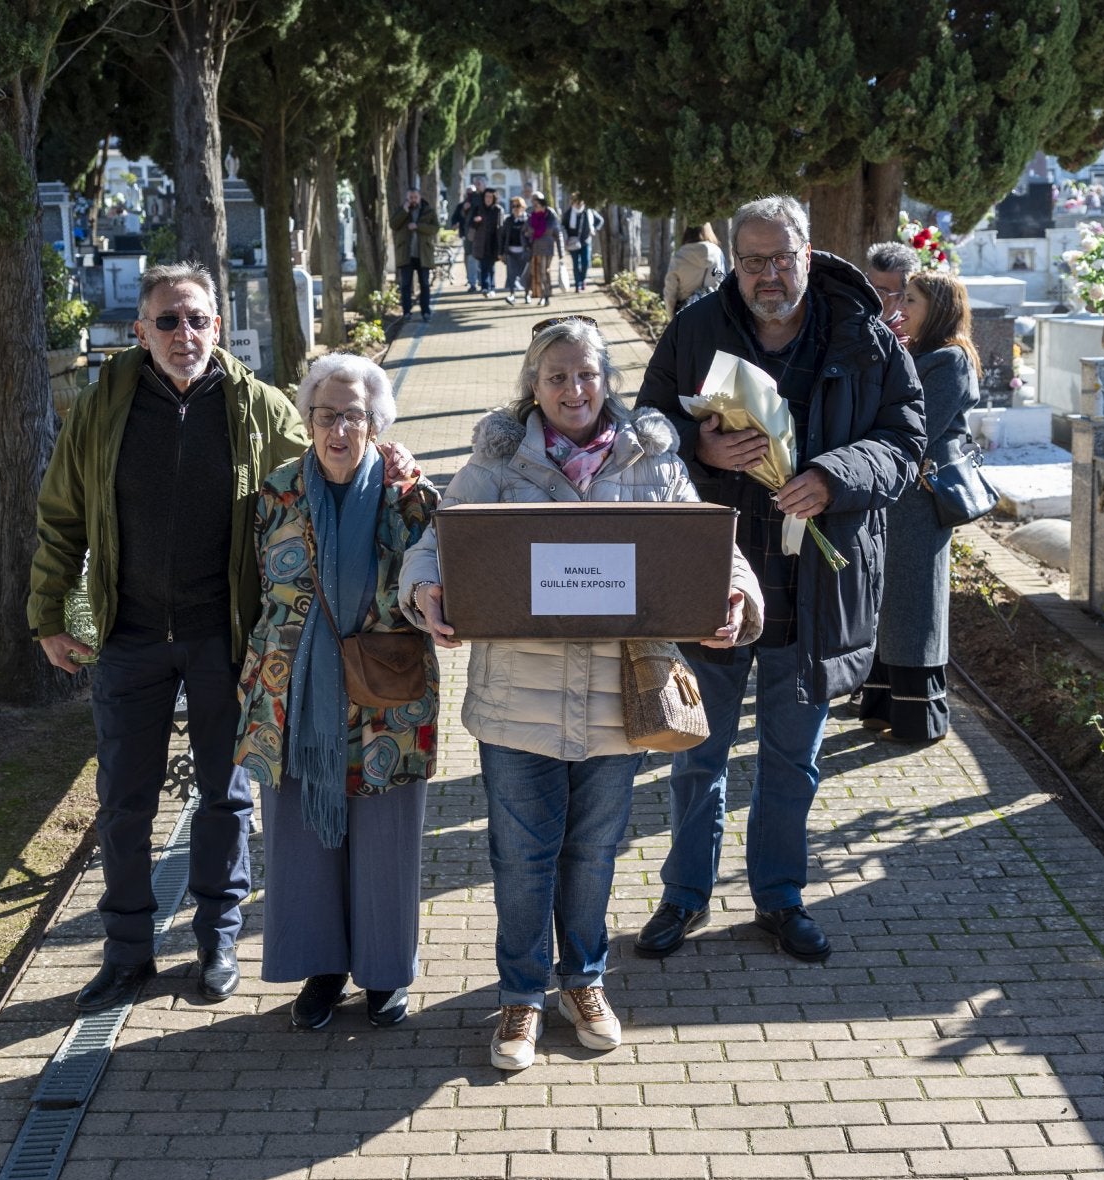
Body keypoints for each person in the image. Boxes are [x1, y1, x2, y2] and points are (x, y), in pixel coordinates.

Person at [29, 261, 411, 1014]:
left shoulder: (258, 406)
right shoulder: (102, 408)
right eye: (167, 321)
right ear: (140, 331)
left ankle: (217, 942)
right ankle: (126, 952)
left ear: (218, 325)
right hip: (129, 635)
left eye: (197, 319)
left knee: (224, 799)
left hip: (225, 636)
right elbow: (61, 516)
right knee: (124, 803)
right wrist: (50, 613)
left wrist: (391, 460)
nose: (184, 334)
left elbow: (329, 463)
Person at [402, 318, 765, 1072]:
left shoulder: (651, 459)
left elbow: (713, 547)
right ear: (533, 385)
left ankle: (584, 982)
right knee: (521, 859)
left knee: (594, 854)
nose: (575, 390)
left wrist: (736, 595)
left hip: (617, 703)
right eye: (557, 376)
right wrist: (425, 588)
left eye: (588, 374)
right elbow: (436, 543)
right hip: (517, 703)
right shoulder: (498, 462)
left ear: (607, 380)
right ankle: (521, 995)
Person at [633, 195, 926, 964]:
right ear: (735, 263)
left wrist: (834, 476)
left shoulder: (862, 332)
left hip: (815, 585)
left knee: (792, 759)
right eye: (754, 260)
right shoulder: (697, 328)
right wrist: (698, 448)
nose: (770, 274)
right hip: (714, 579)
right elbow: (645, 427)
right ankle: (684, 894)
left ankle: (779, 896)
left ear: (808, 252)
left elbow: (905, 438)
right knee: (697, 752)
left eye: (782, 258)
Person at [236, 353, 440, 1031]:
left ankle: (384, 973)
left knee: (386, 837)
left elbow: (439, 575)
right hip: (293, 693)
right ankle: (321, 970)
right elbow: (255, 590)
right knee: (300, 838)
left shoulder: (410, 494)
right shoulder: (278, 492)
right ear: (309, 420)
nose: (340, 430)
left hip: (387, 695)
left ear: (376, 422)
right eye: (327, 415)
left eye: (355, 415)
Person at [855, 273, 981, 744]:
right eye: (902, 298)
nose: (901, 307)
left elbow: (918, 430)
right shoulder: (916, 352)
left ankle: (920, 720)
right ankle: (882, 704)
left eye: (911, 300)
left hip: (922, 500)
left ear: (939, 308)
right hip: (896, 495)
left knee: (916, 605)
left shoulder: (951, 360)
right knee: (889, 602)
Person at [390, 187, 439, 322]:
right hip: (406, 254)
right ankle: (406, 312)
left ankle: (426, 311)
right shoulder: (401, 210)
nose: (413, 200)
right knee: (406, 285)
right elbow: (393, 225)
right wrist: (404, 211)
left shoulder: (428, 211)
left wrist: (418, 226)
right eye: (410, 198)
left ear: (419, 197)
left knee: (425, 284)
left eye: (415, 197)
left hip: (423, 254)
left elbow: (435, 228)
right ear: (407, 198)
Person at [662, 224, 726, 315]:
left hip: (686, 313)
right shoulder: (717, 253)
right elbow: (722, 282)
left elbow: (670, 292)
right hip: (712, 311)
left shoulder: (679, 256)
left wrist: (672, 316)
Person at [864, 241, 922, 340]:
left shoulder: (903, 342)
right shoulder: (843, 314)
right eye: (867, 284)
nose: (868, 295)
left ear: (902, 298)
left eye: (880, 292)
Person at [561, 194, 605, 292]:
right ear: (573, 202)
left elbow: (600, 220)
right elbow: (563, 226)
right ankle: (578, 284)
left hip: (586, 241)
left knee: (586, 262)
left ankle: (583, 279)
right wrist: (565, 239)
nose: (579, 204)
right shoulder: (568, 214)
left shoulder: (588, 212)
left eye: (580, 202)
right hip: (573, 243)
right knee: (576, 264)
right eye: (577, 202)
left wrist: (594, 229)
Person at [525, 192, 561, 307]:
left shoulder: (550, 215)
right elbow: (525, 230)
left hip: (548, 249)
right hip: (535, 249)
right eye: (533, 203)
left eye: (537, 204)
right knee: (537, 272)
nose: (534, 206)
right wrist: (527, 241)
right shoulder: (532, 215)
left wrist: (561, 253)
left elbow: (556, 232)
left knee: (544, 271)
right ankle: (542, 295)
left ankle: (546, 294)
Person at [470, 187, 504, 298]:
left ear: (494, 198)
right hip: (481, 242)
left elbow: (500, 227)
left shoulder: (498, 210)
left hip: (493, 242)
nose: (488, 199)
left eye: (490, 197)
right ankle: (485, 287)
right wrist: (475, 221)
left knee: (491, 266)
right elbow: (471, 224)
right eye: (486, 196)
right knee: (484, 265)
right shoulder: (478, 208)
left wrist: (501, 244)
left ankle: (492, 287)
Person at [500, 196, 532, 303]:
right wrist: (501, 252)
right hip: (511, 252)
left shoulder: (528, 219)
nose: (515, 208)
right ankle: (512, 295)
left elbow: (533, 235)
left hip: (525, 252)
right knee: (511, 275)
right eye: (513, 206)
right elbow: (503, 236)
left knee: (526, 275)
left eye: (518, 206)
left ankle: (527, 295)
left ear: (523, 207)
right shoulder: (509, 220)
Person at [453, 187, 480, 293]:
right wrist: (463, 210)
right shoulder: (461, 205)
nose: (470, 195)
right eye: (468, 193)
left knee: (479, 259)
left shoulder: (479, 205)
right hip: (466, 236)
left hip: (479, 236)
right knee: (469, 258)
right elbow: (455, 217)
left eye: (472, 193)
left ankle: (479, 280)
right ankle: (471, 281)